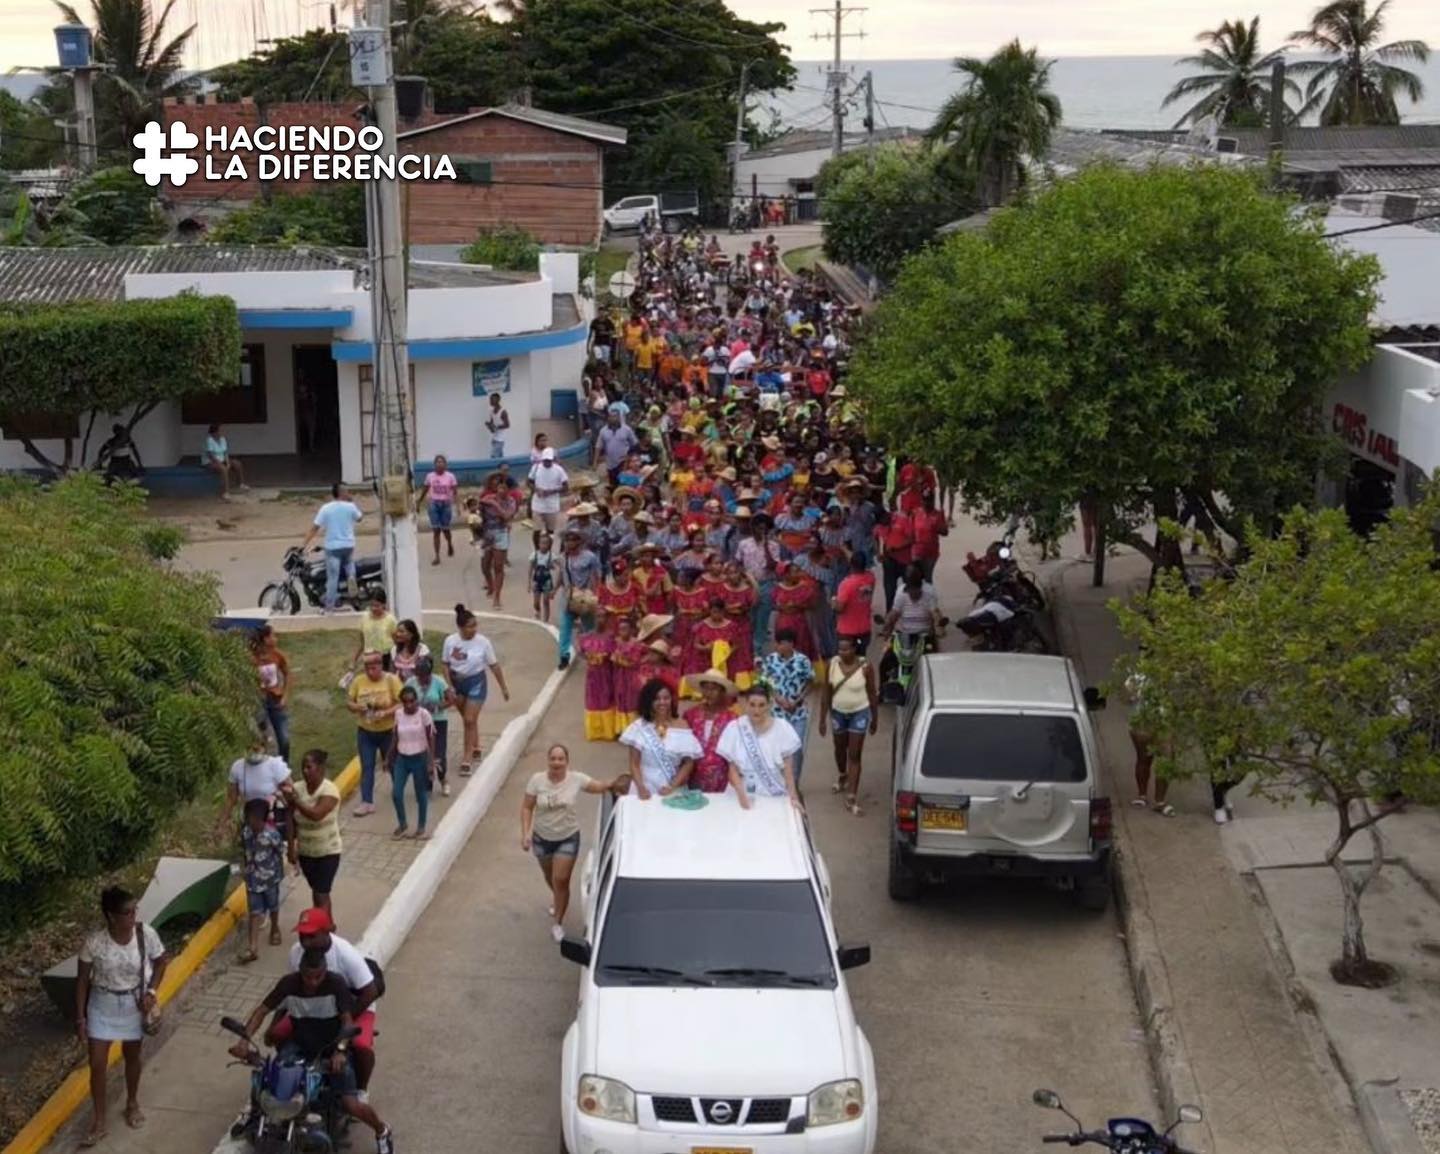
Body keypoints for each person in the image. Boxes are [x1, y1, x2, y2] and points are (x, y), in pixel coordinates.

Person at [227, 950, 394, 1154]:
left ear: (324, 972)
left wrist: (341, 1051)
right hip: (299, 1043)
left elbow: (348, 1021)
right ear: (300, 972)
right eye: (308, 977)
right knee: (269, 1078)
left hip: (331, 1046)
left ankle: (382, 1131)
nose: (313, 982)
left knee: (351, 1104)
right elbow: (262, 1010)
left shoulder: (336, 983)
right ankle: (253, 1116)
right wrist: (244, 1040)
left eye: (318, 977)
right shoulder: (289, 984)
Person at [76, 887, 168, 1145]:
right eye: (127, 912)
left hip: (132, 1005)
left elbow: (162, 961)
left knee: (132, 1057)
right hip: (101, 1006)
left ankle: (132, 1102)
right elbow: (82, 980)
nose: (133, 916)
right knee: (96, 1063)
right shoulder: (94, 942)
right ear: (111, 916)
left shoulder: (144, 934)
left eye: (134, 910)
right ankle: (99, 1119)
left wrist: (151, 991)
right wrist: (80, 1019)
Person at [521, 743, 620, 941]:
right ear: (548, 761)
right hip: (541, 839)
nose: (557, 763)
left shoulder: (576, 779)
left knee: (561, 879)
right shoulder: (536, 781)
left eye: (561, 759)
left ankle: (557, 922)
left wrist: (617, 783)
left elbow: (599, 787)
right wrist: (526, 833)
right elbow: (526, 808)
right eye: (553, 759)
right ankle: (558, 899)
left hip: (567, 838)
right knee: (550, 877)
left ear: (567, 762)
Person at [443, 604, 511, 776]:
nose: (473, 629)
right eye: (469, 626)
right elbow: (445, 664)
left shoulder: (483, 642)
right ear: (460, 627)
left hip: (476, 683)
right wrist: (449, 685)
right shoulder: (450, 641)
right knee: (469, 720)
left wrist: (503, 687)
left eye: (475, 625)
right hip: (457, 684)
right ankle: (476, 745)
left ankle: (466, 758)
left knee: (468, 719)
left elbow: (494, 666)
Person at [818, 636, 880, 816]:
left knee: (854, 754)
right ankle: (842, 774)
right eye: (840, 650)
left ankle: (852, 795)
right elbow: (826, 693)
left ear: (855, 649)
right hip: (838, 712)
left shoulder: (866, 667)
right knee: (839, 748)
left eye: (846, 649)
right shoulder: (832, 665)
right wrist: (822, 719)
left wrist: (874, 718)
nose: (842, 653)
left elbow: (872, 693)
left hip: (859, 713)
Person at [717, 684, 803, 809]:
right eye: (752, 704)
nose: (756, 710)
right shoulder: (735, 728)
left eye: (761, 705)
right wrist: (742, 796)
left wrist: (793, 798)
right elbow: (732, 770)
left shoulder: (782, 728)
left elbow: (788, 770)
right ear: (745, 704)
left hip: (773, 793)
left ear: (770, 704)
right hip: (741, 793)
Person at [281, 750, 343, 914]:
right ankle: (325, 927)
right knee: (318, 891)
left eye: (309, 767)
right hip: (306, 853)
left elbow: (316, 814)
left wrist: (295, 800)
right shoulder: (298, 788)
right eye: (303, 768)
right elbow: (289, 817)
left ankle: (326, 929)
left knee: (321, 893)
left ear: (321, 768)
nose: (305, 771)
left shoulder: (330, 791)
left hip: (328, 852)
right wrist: (291, 848)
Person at [619, 679, 701, 796]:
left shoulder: (682, 726)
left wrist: (672, 786)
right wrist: (641, 787)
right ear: (648, 701)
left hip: (671, 787)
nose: (662, 702)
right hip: (643, 787)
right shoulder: (639, 727)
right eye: (657, 699)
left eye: (666, 698)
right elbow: (634, 763)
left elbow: (688, 763)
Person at [346, 651, 403, 817]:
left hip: (388, 731)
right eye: (368, 668)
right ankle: (367, 801)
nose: (371, 672)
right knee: (367, 766)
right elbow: (349, 702)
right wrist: (358, 707)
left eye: (374, 668)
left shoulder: (391, 680)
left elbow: (402, 703)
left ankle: (398, 792)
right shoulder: (359, 681)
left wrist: (386, 712)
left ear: (381, 666)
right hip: (366, 731)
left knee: (392, 764)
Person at [758, 627, 814, 781]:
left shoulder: (802, 660)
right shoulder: (770, 660)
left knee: (796, 747)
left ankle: (794, 781)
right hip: (777, 712)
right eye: (778, 643)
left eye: (783, 643)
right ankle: (779, 778)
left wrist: (799, 699)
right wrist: (778, 698)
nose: (780, 647)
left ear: (791, 644)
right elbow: (764, 681)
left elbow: (810, 681)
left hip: (798, 712)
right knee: (777, 747)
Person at [301, 483, 364, 612]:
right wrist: (352, 502)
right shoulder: (350, 507)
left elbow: (314, 528)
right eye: (347, 491)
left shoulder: (326, 508)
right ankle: (351, 577)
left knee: (332, 577)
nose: (349, 493)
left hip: (332, 548)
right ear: (342, 493)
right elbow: (360, 518)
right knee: (348, 563)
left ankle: (329, 607)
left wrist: (304, 544)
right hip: (348, 545)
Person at [238, 798, 286, 963]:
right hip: (252, 879)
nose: (252, 822)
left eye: (255, 819)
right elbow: (245, 852)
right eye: (249, 818)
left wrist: (281, 872)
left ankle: (274, 928)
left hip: (270, 878)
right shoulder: (246, 833)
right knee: (254, 911)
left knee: (273, 906)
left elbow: (280, 852)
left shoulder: (272, 835)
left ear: (263, 819)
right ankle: (253, 946)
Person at [218, 735, 292, 841]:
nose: (252, 752)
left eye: (256, 749)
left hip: (272, 822)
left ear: (264, 747)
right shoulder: (238, 767)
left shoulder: (275, 765)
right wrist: (222, 824)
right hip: (250, 820)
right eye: (249, 748)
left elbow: (291, 791)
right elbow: (231, 799)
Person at [386, 684, 436, 840]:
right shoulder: (399, 714)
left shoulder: (424, 715)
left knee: (420, 794)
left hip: (419, 758)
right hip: (402, 758)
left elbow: (431, 737)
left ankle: (421, 827)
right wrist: (389, 757)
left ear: (417, 700)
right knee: (396, 793)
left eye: (412, 701)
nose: (409, 705)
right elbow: (395, 736)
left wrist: (430, 762)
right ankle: (403, 824)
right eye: (405, 702)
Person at [405, 657, 454, 796]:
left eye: (424, 675)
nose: (421, 678)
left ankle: (443, 779)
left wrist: (437, 707)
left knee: (438, 753)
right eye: (418, 674)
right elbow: (404, 699)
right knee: (423, 753)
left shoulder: (439, 682)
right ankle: (427, 785)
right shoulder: (410, 683)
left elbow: (451, 699)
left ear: (429, 673)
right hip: (419, 723)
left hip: (438, 721)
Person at [684, 670, 738, 791]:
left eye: (714, 689)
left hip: (721, 780)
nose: (709, 693)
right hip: (693, 777)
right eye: (706, 688)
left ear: (722, 692)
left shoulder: (732, 718)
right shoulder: (691, 714)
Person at [250, 625, 291, 762]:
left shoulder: (277, 655)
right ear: (265, 639)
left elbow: (287, 674)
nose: (276, 639)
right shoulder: (251, 657)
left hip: (275, 700)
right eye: (273, 636)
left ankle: (283, 767)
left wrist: (285, 696)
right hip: (258, 701)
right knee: (262, 738)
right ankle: (264, 767)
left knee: (284, 739)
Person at [418, 454, 458, 566]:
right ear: (434, 464)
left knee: (446, 529)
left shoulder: (450, 476)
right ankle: (437, 556)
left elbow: (455, 492)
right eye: (437, 462)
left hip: (446, 504)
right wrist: (419, 501)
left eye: (442, 462)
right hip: (433, 504)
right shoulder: (430, 476)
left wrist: (457, 506)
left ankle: (449, 543)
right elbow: (425, 489)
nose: (439, 464)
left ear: (445, 464)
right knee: (436, 531)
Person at [528, 446, 570, 538]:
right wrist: (536, 489)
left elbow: (566, 487)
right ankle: (537, 550)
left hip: (552, 505)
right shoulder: (536, 468)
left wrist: (551, 491)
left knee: (550, 531)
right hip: (538, 504)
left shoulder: (559, 470)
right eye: (545, 460)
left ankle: (548, 549)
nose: (547, 462)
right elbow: (529, 482)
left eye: (549, 460)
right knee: (537, 530)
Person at [355, 591, 398, 671]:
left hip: (385, 658)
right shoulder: (364, 617)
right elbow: (362, 642)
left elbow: (397, 641)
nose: (373, 608)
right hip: (369, 657)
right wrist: (354, 660)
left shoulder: (390, 620)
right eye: (371, 605)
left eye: (377, 605)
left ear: (384, 605)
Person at [203, 423, 247, 500]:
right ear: (215, 432)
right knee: (223, 469)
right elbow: (210, 455)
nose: (221, 432)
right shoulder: (209, 440)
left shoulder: (223, 439)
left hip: (222, 459)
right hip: (210, 462)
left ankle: (241, 484)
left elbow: (225, 452)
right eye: (220, 431)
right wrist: (220, 464)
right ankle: (226, 492)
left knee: (237, 463)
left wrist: (228, 462)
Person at [594, 409, 638, 482]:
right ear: (608, 418)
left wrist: (630, 456)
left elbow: (635, 444)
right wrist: (595, 462)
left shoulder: (627, 429)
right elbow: (598, 446)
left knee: (624, 484)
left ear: (619, 417)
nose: (613, 418)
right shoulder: (603, 431)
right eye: (611, 416)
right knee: (613, 484)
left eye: (615, 416)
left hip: (624, 463)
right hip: (610, 464)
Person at [530, 531, 559, 623]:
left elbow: (557, 566)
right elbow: (530, 568)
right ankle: (537, 611)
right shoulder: (534, 555)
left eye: (546, 543)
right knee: (536, 601)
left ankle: (546, 620)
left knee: (546, 601)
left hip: (547, 580)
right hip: (537, 579)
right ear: (538, 544)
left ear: (549, 545)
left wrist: (553, 566)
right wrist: (529, 582)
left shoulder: (551, 555)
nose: (544, 545)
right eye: (542, 543)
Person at [388, 618, 428, 683]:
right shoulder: (394, 649)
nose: (398, 634)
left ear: (411, 634)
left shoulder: (422, 649)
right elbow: (391, 673)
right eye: (397, 631)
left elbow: (425, 672)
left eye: (401, 632)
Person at [485, 391, 510, 459]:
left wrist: (496, 427)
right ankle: (503, 469)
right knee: (500, 458)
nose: (490, 401)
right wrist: (489, 425)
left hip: (500, 440)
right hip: (494, 439)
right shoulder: (491, 411)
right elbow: (493, 430)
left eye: (492, 399)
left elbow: (507, 425)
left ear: (498, 400)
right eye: (490, 399)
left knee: (493, 457)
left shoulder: (503, 412)